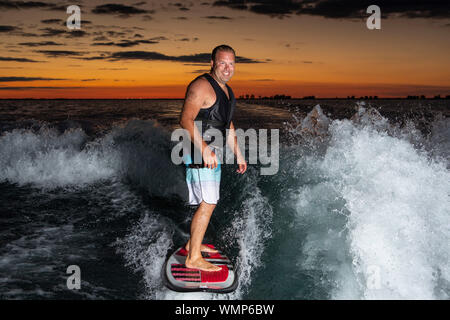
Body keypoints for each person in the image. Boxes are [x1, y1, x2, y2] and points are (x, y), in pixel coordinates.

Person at [179, 44, 247, 272]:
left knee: (208, 201)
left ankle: (192, 244)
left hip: (212, 153)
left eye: (231, 64)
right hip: (199, 151)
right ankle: (193, 257)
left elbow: (227, 125)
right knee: (208, 203)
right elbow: (185, 120)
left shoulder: (227, 91)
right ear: (212, 63)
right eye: (222, 63)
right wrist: (205, 149)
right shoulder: (200, 86)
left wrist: (238, 154)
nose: (227, 68)